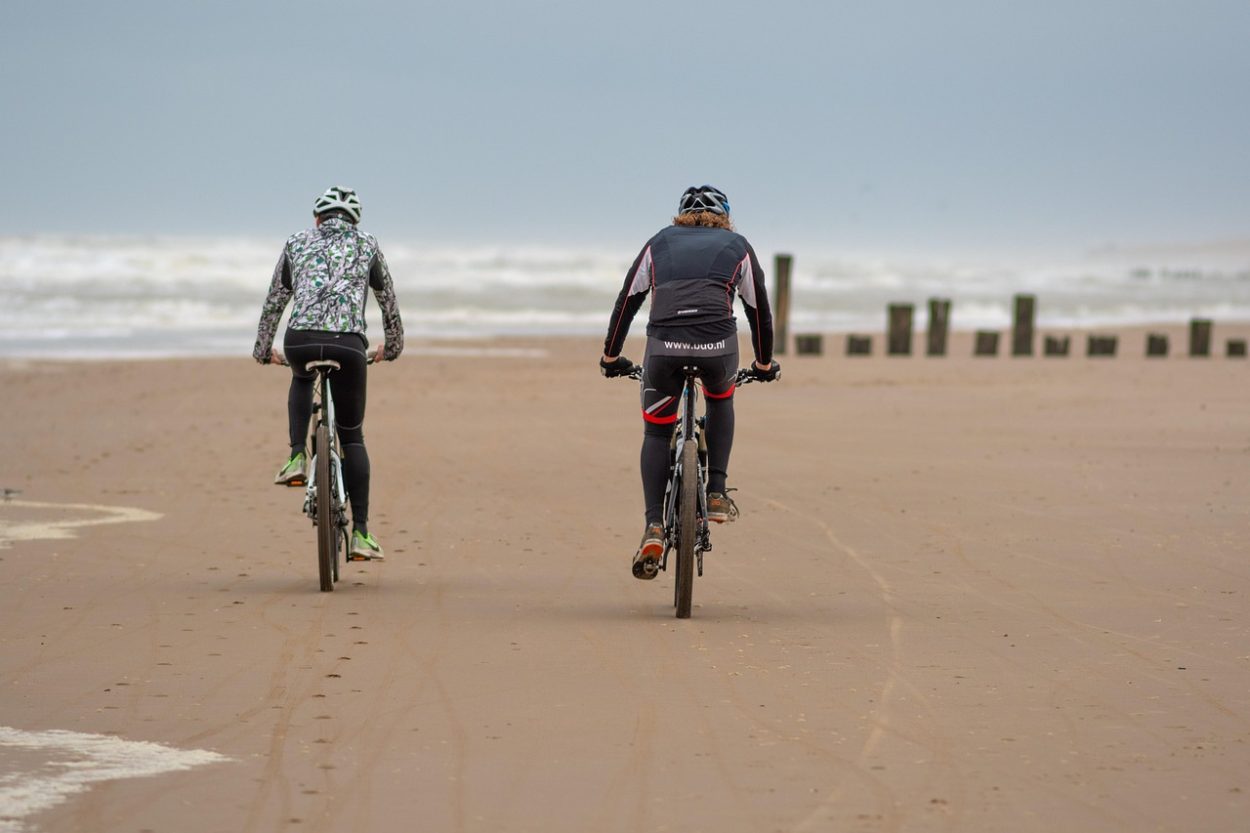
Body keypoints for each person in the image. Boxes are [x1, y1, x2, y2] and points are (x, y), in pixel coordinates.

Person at [600, 185, 779, 580]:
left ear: (680, 216)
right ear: (725, 216)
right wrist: (764, 363)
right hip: (718, 349)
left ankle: (653, 526)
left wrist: (611, 356)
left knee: (656, 432)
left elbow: (626, 300)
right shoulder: (738, 245)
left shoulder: (658, 242)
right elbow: (758, 309)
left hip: (664, 350)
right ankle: (716, 492)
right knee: (720, 398)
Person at [253, 186, 404, 561]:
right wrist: (394, 346)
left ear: (317, 218)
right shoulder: (368, 244)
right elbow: (388, 301)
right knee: (352, 436)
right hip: (349, 346)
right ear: (354, 220)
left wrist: (262, 349)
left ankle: (296, 457)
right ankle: (362, 534)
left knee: (302, 377)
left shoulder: (296, 242)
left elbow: (275, 300)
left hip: (300, 341)